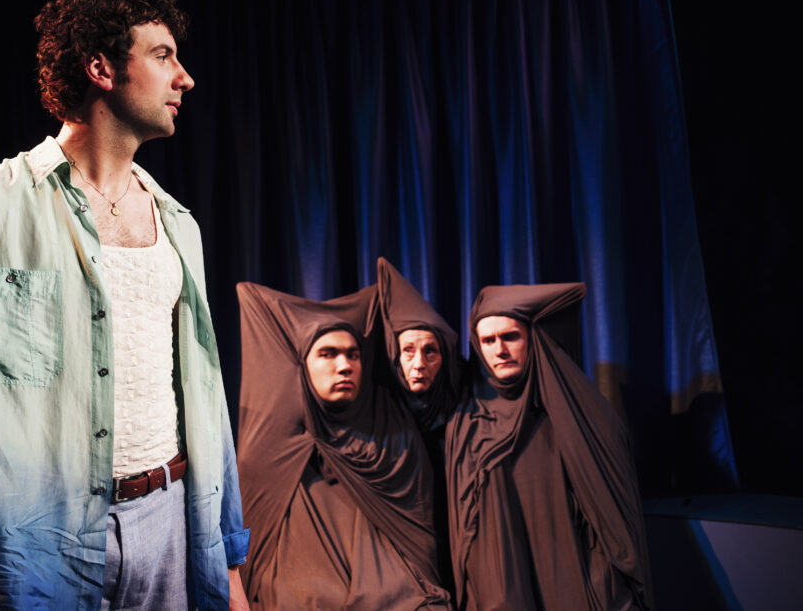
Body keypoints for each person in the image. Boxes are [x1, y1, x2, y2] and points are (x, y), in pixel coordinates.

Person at [0, 0, 249, 610]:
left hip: (173, 528)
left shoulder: (179, 227)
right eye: (162, 55)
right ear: (101, 68)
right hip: (42, 545)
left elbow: (207, 398)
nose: (185, 78)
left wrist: (228, 559)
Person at [235, 281, 453, 609]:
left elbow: (419, 554)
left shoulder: (392, 444)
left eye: (353, 355)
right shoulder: (273, 455)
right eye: (328, 354)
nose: (345, 365)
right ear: (303, 365)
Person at [445, 282, 652, 610]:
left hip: (575, 580)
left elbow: (612, 521)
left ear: (532, 336)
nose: (499, 350)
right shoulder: (466, 422)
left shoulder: (578, 411)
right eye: (488, 341)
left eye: (510, 336)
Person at [376, 257, 467, 589]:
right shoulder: (382, 417)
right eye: (408, 351)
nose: (419, 363)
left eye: (430, 352)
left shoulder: (465, 414)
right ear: (395, 356)